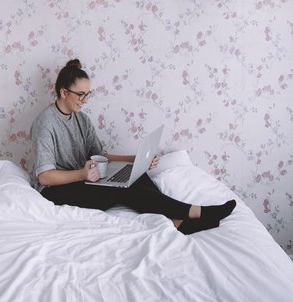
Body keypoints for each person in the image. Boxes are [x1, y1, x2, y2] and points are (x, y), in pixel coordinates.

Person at [30, 59, 236, 234]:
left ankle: (177, 221)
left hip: (85, 178)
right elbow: (45, 177)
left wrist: (135, 160)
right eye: (81, 94)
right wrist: (82, 175)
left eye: (88, 94)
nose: (85, 100)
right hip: (57, 190)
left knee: (134, 175)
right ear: (64, 92)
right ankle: (195, 212)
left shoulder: (81, 119)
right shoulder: (45, 123)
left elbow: (100, 156)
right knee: (123, 188)